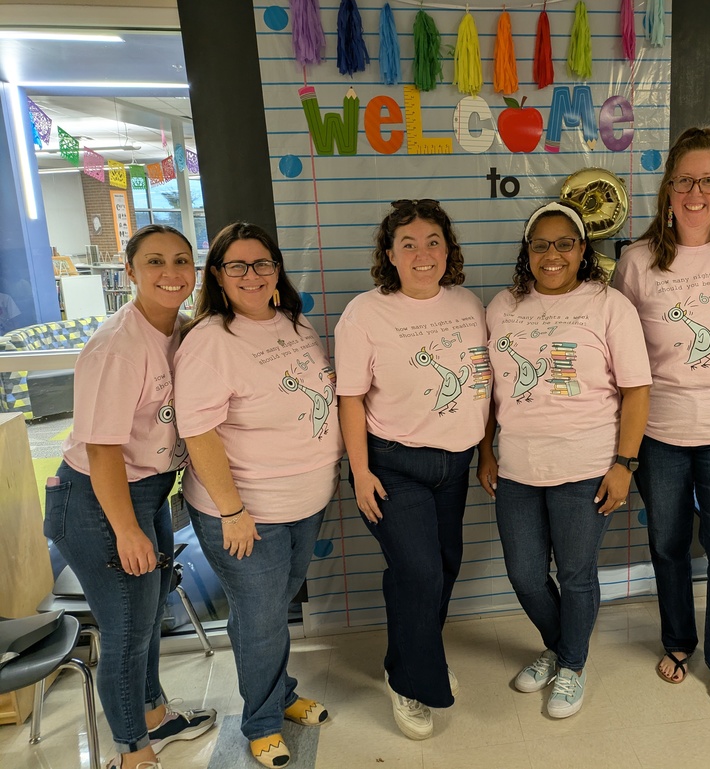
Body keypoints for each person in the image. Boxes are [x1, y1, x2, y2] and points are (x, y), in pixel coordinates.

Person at [44, 224, 217, 769]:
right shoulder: (117, 347)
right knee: (124, 631)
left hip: (148, 490)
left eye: (182, 261)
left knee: (146, 616)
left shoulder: (179, 330)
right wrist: (125, 529)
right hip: (98, 499)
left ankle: (154, 716)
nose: (171, 273)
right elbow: (101, 450)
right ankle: (133, 755)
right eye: (155, 262)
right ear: (130, 271)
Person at [174, 222, 343, 768]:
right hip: (247, 510)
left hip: (305, 501)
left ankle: (280, 693)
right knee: (263, 619)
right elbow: (197, 432)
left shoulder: (294, 322)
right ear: (218, 276)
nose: (252, 275)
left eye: (262, 263)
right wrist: (232, 510)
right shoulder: (210, 340)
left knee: (264, 615)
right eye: (237, 266)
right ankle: (263, 722)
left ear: (277, 269)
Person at [478, 201, 651, 718]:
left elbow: (637, 390)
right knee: (525, 574)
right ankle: (559, 647)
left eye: (564, 244)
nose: (551, 254)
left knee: (576, 575)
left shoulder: (609, 305)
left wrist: (625, 464)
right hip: (517, 468)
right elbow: (489, 391)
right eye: (540, 244)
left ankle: (571, 664)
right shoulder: (502, 306)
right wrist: (485, 451)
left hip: (586, 468)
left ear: (582, 250)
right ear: (526, 252)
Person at [613, 126, 710, 706]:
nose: (696, 193)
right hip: (661, 431)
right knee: (668, 542)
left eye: (709, 181)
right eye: (685, 181)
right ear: (668, 189)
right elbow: (620, 354)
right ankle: (678, 640)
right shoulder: (637, 261)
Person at [334, 199, 490, 740]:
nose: (423, 254)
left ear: (448, 250)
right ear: (389, 254)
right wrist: (360, 472)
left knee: (441, 568)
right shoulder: (365, 313)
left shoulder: (469, 304)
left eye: (433, 242)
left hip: (455, 465)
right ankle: (411, 682)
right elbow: (350, 398)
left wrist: (486, 451)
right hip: (393, 466)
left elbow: (482, 383)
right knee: (419, 573)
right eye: (408, 244)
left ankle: (410, 658)